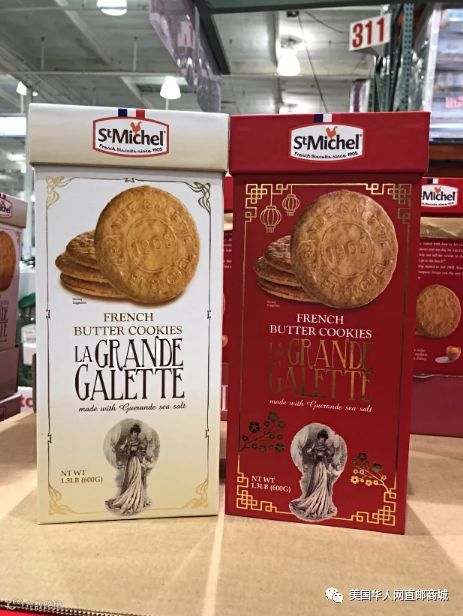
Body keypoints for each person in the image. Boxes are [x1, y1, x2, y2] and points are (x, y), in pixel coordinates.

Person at [290, 429, 338, 521]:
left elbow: (328, 457)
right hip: (317, 467)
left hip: (323, 467)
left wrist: (328, 467)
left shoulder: (326, 448)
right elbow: (308, 452)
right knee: (316, 483)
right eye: (321, 439)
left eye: (324, 439)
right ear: (319, 438)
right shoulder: (315, 446)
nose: (322, 440)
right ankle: (313, 500)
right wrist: (312, 449)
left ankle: (321, 503)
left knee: (323, 483)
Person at [106, 424, 152, 516]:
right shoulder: (128, 440)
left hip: (136, 461)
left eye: (137, 433)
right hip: (130, 461)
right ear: (131, 432)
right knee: (130, 478)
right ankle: (128, 495)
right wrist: (126, 447)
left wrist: (141, 449)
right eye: (134, 432)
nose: (135, 434)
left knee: (136, 478)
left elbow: (143, 450)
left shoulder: (139, 441)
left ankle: (135, 496)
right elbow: (121, 449)